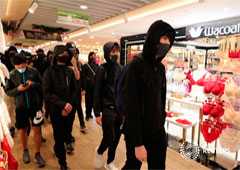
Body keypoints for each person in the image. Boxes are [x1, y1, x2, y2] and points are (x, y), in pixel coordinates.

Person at [122, 20, 175, 170]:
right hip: (137, 131)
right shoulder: (136, 65)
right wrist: (138, 143)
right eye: (163, 37)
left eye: (169, 39)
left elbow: (161, 99)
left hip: (157, 131)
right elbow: (131, 105)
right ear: (153, 37)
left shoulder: (160, 68)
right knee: (132, 166)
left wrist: (161, 119)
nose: (167, 42)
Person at [4, 53, 45, 167]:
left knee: (37, 129)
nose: (21, 68)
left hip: (35, 106)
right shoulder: (11, 75)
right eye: (18, 67)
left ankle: (38, 154)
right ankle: (25, 151)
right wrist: (18, 89)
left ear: (26, 62)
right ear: (14, 65)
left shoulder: (33, 71)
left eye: (22, 66)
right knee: (23, 129)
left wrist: (32, 84)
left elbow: (42, 86)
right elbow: (8, 91)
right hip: (21, 107)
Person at [43, 45, 77, 170]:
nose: (65, 55)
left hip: (69, 109)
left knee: (66, 135)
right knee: (59, 136)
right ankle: (63, 163)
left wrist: (69, 105)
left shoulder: (70, 71)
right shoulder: (49, 72)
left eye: (66, 53)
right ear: (57, 55)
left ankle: (57, 148)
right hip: (56, 110)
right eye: (62, 53)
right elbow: (47, 93)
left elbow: (75, 89)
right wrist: (63, 105)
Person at [93, 42, 122, 170]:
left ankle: (110, 162)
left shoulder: (121, 68)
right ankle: (99, 151)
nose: (115, 54)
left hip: (119, 109)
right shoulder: (101, 69)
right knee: (109, 137)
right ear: (107, 53)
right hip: (107, 108)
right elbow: (97, 92)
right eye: (112, 51)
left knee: (116, 138)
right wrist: (97, 113)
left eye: (116, 51)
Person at [83, 52, 99, 121]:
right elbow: (83, 76)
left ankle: (91, 113)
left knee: (93, 100)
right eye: (93, 56)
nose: (94, 57)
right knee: (88, 100)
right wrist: (83, 87)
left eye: (95, 56)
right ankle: (87, 114)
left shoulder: (97, 66)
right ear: (89, 57)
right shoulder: (86, 65)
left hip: (94, 86)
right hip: (87, 85)